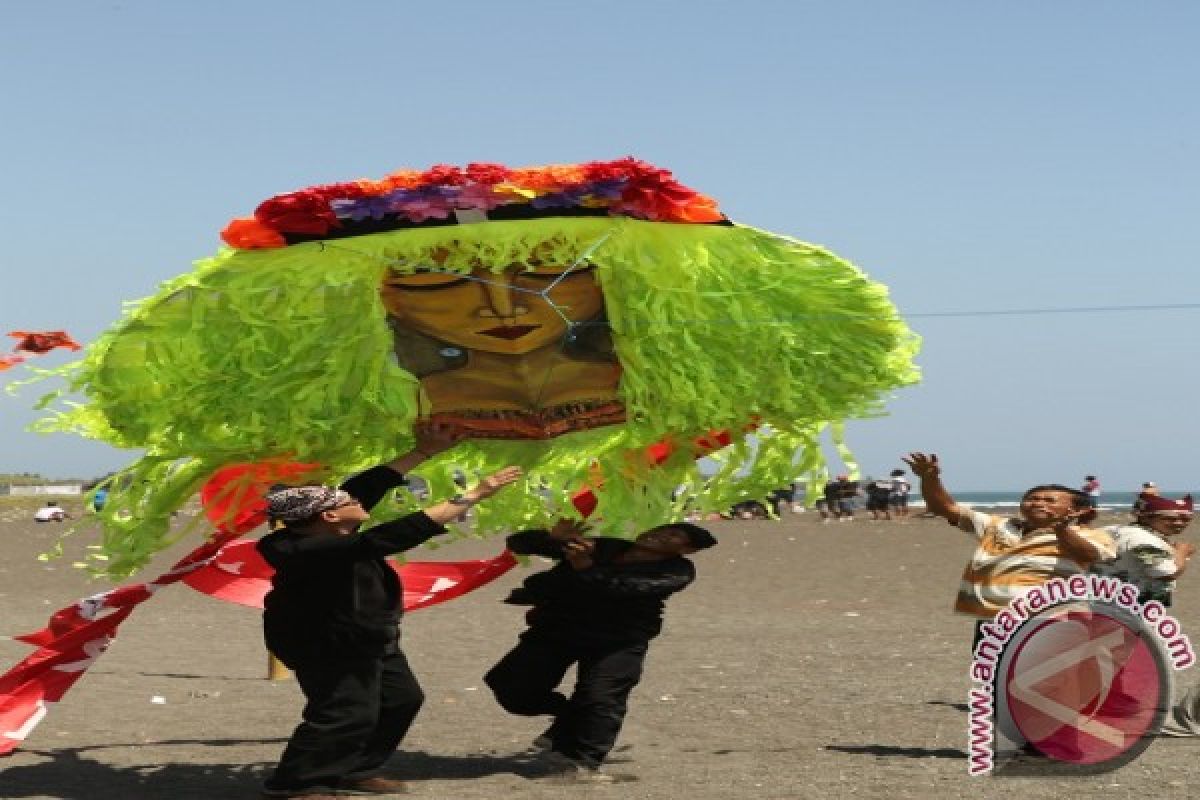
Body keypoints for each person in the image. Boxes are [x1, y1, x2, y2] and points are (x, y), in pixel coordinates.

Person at [256, 429, 522, 800]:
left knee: (401, 700)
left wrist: (422, 451)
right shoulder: (305, 549)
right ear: (329, 515)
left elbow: (366, 486)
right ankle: (296, 784)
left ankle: (356, 768)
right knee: (344, 712)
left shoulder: (332, 527)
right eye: (345, 500)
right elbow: (390, 536)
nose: (356, 499)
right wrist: (474, 495)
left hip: (370, 633)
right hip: (326, 641)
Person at [484, 519, 717, 783]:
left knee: (601, 698)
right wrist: (550, 538)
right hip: (558, 629)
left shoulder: (676, 571)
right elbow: (519, 545)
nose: (659, 534)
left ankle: (582, 762)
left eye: (675, 536)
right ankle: (569, 716)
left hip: (619, 639)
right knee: (511, 688)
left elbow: (621, 588)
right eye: (661, 528)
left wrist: (584, 565)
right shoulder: (605, 546)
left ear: (687, 550)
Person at [903, 453, 1115, 632]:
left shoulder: (1089, 534)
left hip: (1051, 621)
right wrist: (930, 478)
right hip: (993, 621)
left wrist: (1061, 529)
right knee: (995, 680)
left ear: (1077, 511)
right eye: (1032, 499)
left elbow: (1089, 555)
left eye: (1049, 500)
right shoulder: (997, 525)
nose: (1037, 503)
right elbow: (946, 508)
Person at [1092, 493, 1194, 606]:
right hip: (1130, 604)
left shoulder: (1111, 529)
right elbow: (1167, 574)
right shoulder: (1144, 540)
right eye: (1170, 518)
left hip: (1102, 596)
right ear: (1145, 517)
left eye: (1186, 519)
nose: (1179, 523)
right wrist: (1182, 553)